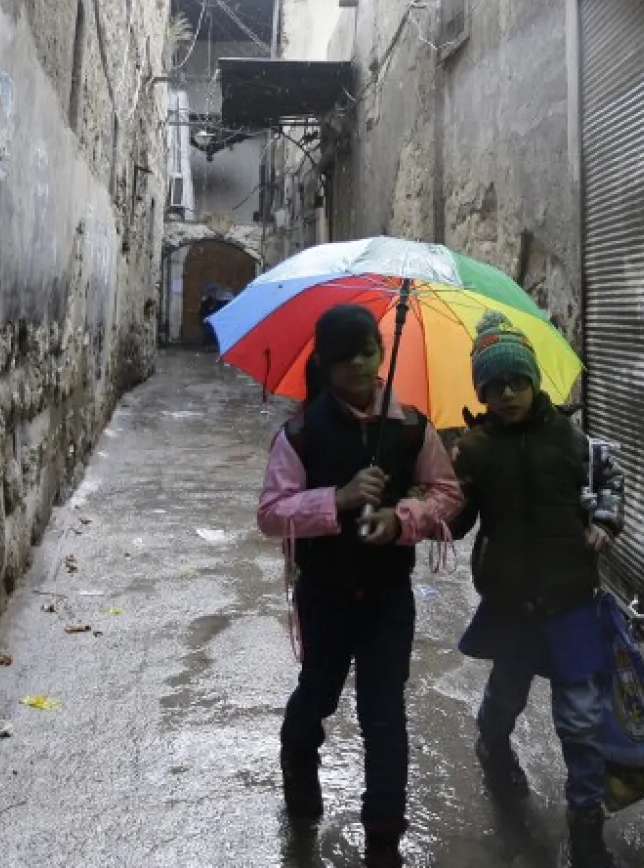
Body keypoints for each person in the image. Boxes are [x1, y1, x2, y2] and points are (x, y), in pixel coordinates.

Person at [257, 303, 463, 868]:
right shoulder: (299, 434)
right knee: (318, 693)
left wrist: (402, 520)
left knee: (384, 712)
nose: (361, 368)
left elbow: (446, 493)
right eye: (346, 359)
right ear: (323, 363)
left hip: (388, 598)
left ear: (381, 352)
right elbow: (272, 513)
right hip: (324, 593)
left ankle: (384, 840)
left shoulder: (412, 426)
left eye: (369, 353)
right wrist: (338, 499)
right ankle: (299, 757)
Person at [450, 312, 622, 868]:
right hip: (510, 602)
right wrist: (437, 488)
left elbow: (609, 482)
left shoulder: (575, 441)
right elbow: (456, 523)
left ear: (533, 381)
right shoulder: (474, 450)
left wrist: (604, 521)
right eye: (494, 386)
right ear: (482, 391)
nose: (506, 395)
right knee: (507, 694)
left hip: (571, 598)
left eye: (516, 382)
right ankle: (493, 747)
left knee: (580, 720)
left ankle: (586, 827)